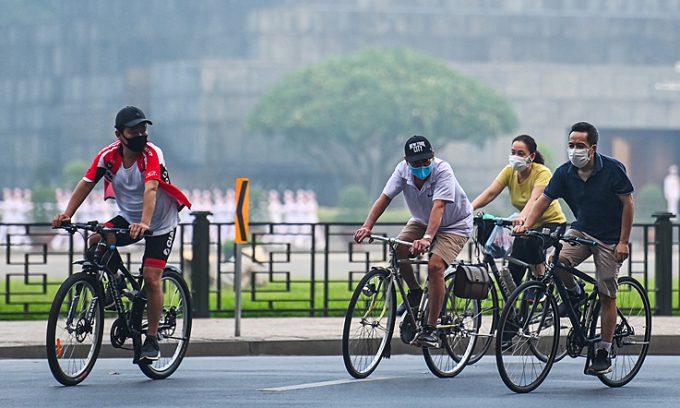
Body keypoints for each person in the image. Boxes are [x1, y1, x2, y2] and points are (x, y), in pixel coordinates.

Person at [52, 106, 192, 363]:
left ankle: (151, 339)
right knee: (96, 240)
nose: (141, 134)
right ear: (119, 134)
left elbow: (151, 189)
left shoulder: (152, 154)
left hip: (159, 222)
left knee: (151, 278)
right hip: (128, 218)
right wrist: (67, 214)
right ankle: (114, 281)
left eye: (143, 129)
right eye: (134, 130)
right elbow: (86, 182)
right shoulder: (108, 157)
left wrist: (145, 223)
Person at [515, 122, 634, 375]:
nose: (575, 150)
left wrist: (623, 241)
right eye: (571, 146)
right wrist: (526, 225)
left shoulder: (612, 169)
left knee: (606, 292)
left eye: (580, 146)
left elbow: (628, 204)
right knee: (555, 263)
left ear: (592, 148)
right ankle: (575, 292)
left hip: (610, 238)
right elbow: (543, 200)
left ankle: (603, 349)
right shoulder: (564, 173)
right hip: (581, 230)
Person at [354, 135, 473, 348]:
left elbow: (439, 207)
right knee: (399, 248)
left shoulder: (443, 170)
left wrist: (428, 238)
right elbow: (384, 198)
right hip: (421, 220)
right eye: (416, 163)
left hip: (454, 224)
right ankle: (415, 293)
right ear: (407, 161)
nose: (421, 166)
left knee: (435, 267)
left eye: (426, 161)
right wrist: (367, 226)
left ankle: (431, 328)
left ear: (433, 156)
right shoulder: (402, 171)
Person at [471, 134, 567, 286]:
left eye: (521, 154)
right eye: (513, 152)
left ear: (532, 156)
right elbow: (491, 193)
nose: (516, 157)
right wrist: (469, 209)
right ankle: (513, 303)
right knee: (515, 267)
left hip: (552, 223)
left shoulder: (542, 172)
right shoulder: (509, 171)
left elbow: (534, 200)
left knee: (532, 243)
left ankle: (540, 281)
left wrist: (522, 217)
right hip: (525, 224)